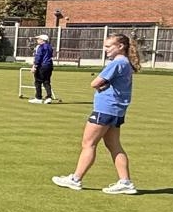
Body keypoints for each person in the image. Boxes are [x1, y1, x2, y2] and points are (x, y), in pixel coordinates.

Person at [52, 32, 139, 194]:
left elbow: (95, 82)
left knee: (88, 144)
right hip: (116, 110)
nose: (105, 49)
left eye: (108, 46)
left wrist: (100, 85)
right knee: (114, 145)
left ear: (120, 46)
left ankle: (75, 179)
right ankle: (125, 182)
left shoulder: (116, 63)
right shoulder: (125, 62)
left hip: (105, 109)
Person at [31, 33, 55, 103]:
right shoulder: (50, 47)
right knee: (46, 82)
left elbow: (38, 57)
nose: (37, 40)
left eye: (39, 39)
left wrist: (34, 66)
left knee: (38, 81)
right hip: (49, 65)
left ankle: (38, 98)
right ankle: (49, 97)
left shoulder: (41, 47)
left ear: (43, 40)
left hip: (42, 66)